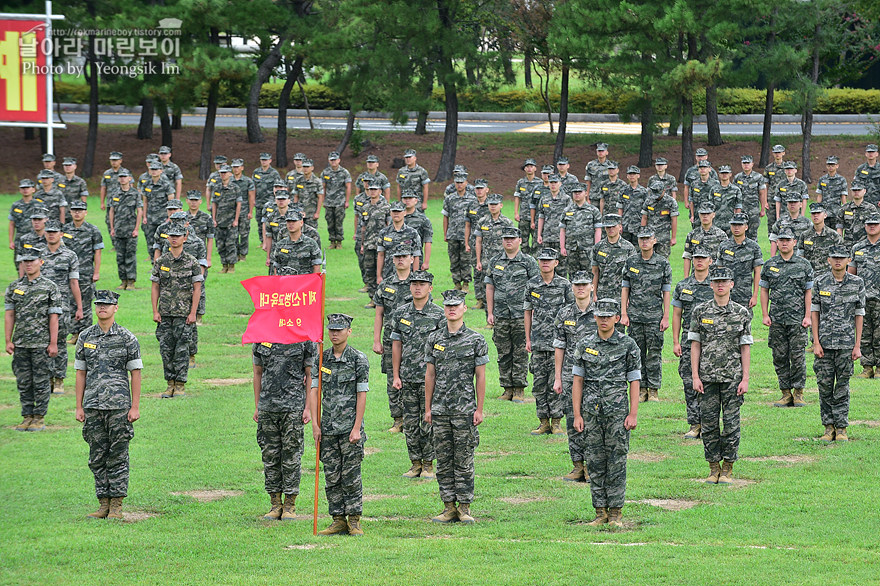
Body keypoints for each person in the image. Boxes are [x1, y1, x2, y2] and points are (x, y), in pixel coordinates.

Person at [572, 298, 640, 528]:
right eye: (600, 316)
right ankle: (600, 511)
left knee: (617, 462)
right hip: (591, 413)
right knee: (595, 461)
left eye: (608, 316)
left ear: (617, 319)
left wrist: (633, 413)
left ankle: (616, 513)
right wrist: (577, 414)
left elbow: (634, 381)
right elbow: (577, 381)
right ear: (594, 317)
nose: (603, 320)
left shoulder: (628, 345)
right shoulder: (583, 345)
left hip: (617, 414)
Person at [74, 289, 142, 519]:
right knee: (97, 455)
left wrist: (135, 406)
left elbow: (136, 373)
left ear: (116, 308)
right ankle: (103, 503)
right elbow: (80, 373)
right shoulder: (85, 337)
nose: (102, 308)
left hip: (119, 406)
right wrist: (79, 406)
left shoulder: (126, 338)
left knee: (118, 454)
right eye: (98, 304)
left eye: (106, 304)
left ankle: (117, 505)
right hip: (93, 405)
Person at [425, 289, 489, 524]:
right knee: (443, 459)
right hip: (440, 409)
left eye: (456, 305)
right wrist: (428, 407)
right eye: (448, 306)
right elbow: (430, 375)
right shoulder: (434, 339)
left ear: (464, 308)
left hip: (464, 410)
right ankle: (448, 506)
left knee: (463, 458)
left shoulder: (475, 340)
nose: (451, 309)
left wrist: (479, 409)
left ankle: (464, 507)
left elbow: (480, 377)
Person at [689, 266, 753, 485]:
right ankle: (713, 466)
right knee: (708, 424)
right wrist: (695, 376)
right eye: (716, 281)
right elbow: (695, 345)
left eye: (724, 281)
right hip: (706, 377)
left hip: (732, 377)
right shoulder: (700, 311)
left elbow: (745, 347)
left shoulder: (741, 313)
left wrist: (745, 378)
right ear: (711, 285)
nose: (720, 285)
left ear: (732, 284)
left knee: (731, 424)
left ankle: (728, 467)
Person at [310, 313, 369, 536]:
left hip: (349, 429)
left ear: (349, 332)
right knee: (332, 475)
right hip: (328, 428)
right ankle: (337, 519)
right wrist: (316, 425)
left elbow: (361, 395)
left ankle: (354, 520)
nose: (334, 334)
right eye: (331, 330)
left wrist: (356, 427)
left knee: (351, 475)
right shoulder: (321, 359)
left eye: (339, 330)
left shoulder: (358, 359)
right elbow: (315, 392)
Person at [252, 330, 316, 521]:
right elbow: (257, 373)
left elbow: (310, 375)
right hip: (268, 407)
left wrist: (308, 407)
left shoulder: (303, 337)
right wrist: (257, 406)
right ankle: (275, 503)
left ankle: (290, 504)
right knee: (270, 456)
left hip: (293, 407)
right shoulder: (261, 336)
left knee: (291, 456)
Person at [391, 270, 444, 479]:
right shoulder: (401, 313)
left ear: (430, 288)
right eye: (414, 284)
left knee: (428, 421)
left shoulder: (439, 314)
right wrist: (396, 375)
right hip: (408, 377)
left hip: (430, 378)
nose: (417, 287)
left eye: (422, 284)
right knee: (411, 423)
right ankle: (415, 464)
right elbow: (396, 345)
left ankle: (429, 464)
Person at [5, 249, 62, 432]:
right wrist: (8, 340)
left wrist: (53, 343)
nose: (28, 264)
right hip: (21, 343)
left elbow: (54, 317)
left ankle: (39, 417)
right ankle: (27, 416)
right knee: (23, 381)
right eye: (25, 261)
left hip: (41, 344)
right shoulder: (14, 287)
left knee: (41, 381)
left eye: (32, 261)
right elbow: (10, 315)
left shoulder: (49, 287)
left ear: (41, 262)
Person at [813, 245, 865, 442]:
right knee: (824, 386)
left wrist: (857, 345)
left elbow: (859, 315)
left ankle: (841, 427)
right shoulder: (820, 282)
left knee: (842, 386)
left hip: (846, 344)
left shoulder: (857, 283)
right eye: (834, 257)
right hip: (824, 344)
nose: (838, 261)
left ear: (848, 260)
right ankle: (828, 427)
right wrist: (816, 342)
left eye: (842, 258)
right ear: (828, 260)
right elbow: (815, 313)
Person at [760, 226, 814, 408]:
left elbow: (808, 292)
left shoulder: (804, 265)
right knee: (779, 357)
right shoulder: (769, 265)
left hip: (798, 320)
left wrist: (808, 316)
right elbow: (764, 290)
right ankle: (785, 393)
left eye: (787, 240)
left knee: (797, 357)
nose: (784, 243)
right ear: (777, 242)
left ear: (794, 242)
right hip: (776, 319)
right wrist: (765, 314)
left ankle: (798, 393)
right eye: (781, 240)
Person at [485, 227, 539, 402]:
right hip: (501, 314)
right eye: (506, 238)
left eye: (512, 238)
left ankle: (519, 388)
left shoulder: (528, 262)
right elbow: (490, 287)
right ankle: (507, 388)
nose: (508, 241)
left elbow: (535, 288)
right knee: (503, 351)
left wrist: (533, 312)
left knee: (521, 351)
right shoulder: (495, 261)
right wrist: (490, 312)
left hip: (521, 315)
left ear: (520, 241)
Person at [552, 271, 597, 482]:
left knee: (593, 421)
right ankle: (577, 465)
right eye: (577, 285)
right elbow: (560, 346)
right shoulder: (564, 314)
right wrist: (558, 377)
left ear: (591, 287)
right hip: (571, 375)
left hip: (595, 375)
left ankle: (592, 465)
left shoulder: (600, 313)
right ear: (572, 288)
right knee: (572, 419)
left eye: (584, 284)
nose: (580, 288)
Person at [150, 224, 203, 398]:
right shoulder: (161, 262)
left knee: (181, 350)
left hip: (184, 314)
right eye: (171, 235)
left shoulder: (192, 262)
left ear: (185, 237)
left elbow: (197, 289)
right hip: (165, 313)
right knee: (166, 350)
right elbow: (155, 287)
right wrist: (155, 311)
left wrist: (193, 312)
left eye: (178, 236)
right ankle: (169, 383)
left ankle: (180, 384)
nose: (174, 238)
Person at [525, 248, 573, 435]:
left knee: (556, 381)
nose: (545, 263)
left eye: (549, 260)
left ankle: (557, 421)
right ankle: (543, 420)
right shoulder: (531, 285)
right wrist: (528, 338)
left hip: (558, 343)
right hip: (538, 342)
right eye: (542, 260)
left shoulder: (564, 285)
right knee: (539, 383)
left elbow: (571, 314)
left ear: (556, 263)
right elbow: (527, 312)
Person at [621, 227, 671, 402]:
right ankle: (641, 388)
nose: (644, 242)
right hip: (634, 315)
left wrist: (665, 316)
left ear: (654, 240)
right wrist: (624, 313)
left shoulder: (662, 263)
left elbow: (666, 292)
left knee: (654, 353)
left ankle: (653, 389)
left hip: (654, 317)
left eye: (647, 239)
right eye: (641, 239)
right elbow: (625, 289)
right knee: (637, 353)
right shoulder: (631, 262)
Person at [672, 245, 715, 439]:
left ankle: (709, 424)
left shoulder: (715, 284)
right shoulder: (683, 286)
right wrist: (675, 341)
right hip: (688, 341)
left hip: (712, 342)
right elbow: (677, 314)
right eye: (696, 258)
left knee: (711, 383)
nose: (699, 261)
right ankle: (694, 423)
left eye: (703, 258)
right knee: (689, 381)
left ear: (710, 261)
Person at [372, 247, 415, 433]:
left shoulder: (418, 283)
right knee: (393, 379)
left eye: (404, 256)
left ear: (412, 259)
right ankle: (398, 419)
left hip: (413, 341)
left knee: (414, 378)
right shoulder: (385, 285)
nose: (400, 260)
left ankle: (414, 417)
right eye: (397, 257)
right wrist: (376, 340)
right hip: (390, 341)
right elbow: (379, 314)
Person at [41, 220, 83, 394]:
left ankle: (59, 379)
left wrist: (79, 307)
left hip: (61, 307)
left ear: (61, 234)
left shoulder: (70, 255)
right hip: (41, 307)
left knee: (59, 342)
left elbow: (74, 282)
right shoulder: (38, 255)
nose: (51, 234)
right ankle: (46, 378)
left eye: (55, 231)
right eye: (48, 231)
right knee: (42, 342)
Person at [62, 200, 104, 345]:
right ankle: (74, 333)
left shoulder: (93, 230)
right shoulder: (65, 230)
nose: (77, 213)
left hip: (86, 272)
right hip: (68, 273)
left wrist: (96, 272)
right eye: (74, 210)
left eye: (80, 210)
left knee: (85, 304)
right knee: (71, 303)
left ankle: (85, 334)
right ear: (71, 212)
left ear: (85, 212)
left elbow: (97, 252)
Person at [848, 213, 880, 379]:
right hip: (862, 299)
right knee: (864, 333)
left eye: (875, 223)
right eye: (869, 224)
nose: (872, 226)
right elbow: (851, 274)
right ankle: (867, 367)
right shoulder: (857, 248)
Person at [474, 193, 514, 311]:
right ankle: (489, 316)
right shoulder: (482, 222)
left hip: (503, 261)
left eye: (495, 204)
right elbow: (478, 241)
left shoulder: (507, 222)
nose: (493, 207)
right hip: (487, 261)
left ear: (501, 205)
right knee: (487, 288)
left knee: (503, 289)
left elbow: (513, 243)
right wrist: (478, 261)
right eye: (491, 204)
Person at [715, 213, 763, 310]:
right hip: (726, 294)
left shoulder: (753, 247)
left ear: (746, 227)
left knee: (745, 322)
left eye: (740, 225)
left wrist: (755, 296)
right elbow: (719, 270)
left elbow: (757, 273)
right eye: (734, 225)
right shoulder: (724, 246)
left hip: (745, 294)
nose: (736, 228)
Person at [443, 173, 478, 292]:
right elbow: (446, 217)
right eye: (457, 182)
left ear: (466, 183)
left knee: (466, 260)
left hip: (466, 235)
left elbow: (474, 218)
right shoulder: (450, 198)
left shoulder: (472, 199)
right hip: (453, 233)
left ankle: (466, 283)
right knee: (453, 260)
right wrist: (445, 233)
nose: (459, 185)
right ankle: (457, 282)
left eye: (461, 182)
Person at [108, 170, 142, 290]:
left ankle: (131, 282)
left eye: (125, 177)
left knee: (130, 256)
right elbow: (111, 211)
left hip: (131, 230)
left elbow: (139, 211)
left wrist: (136, 228)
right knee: (120, 257)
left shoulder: (135, 193)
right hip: (118, 230)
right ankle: (123, 281)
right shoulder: (115, 193)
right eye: (120, 177)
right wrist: (112, 228)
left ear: (130, 178)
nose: (122, 179)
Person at [592, 214, 636, 305]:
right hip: (602, 295)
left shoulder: (629, 248)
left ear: (620, 227)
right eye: (608, 227)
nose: (610, 229)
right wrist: (594, 294)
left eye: (613, 226)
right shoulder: (598, 247)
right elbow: (595, 272)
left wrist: (630, 296)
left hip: (621, 295)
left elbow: (633, 275)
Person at [560, 183, 602, 278]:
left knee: (589, 275)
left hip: (588, 249)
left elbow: (598, 230)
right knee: (572, 275)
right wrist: (562, 247)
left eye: (579, 192)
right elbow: (562, 230)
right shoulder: (566, 210)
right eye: (575, 192)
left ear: (586, 193)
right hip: (571, 249)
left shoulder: (593, 210)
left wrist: (596, 247)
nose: (577, 194)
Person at [360, 182, 391, 305]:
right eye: (370, 189)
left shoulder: (386, 207)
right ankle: (373, 298)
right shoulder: (365, 208)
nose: (372, 191)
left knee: (383, 272)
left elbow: (389, 226)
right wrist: (362, 244)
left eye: (375, 189)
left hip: (382, 246)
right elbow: (363, 228)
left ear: (380, 192)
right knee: (369, 271)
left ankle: (384, 297)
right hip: (368, 244)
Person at [376, 201, 422, 283]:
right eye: (394, 211)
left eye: (399, 211)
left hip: (407, 276)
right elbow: (380, 255)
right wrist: (379, 276)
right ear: (390, 213)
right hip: (388, 274)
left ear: (404, 213)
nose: (396, 214)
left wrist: (415, 276)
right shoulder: (384, 233)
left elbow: (416, 256)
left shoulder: (412, 233)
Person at [536, 174, 572, 276]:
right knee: (546, 267)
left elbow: (569, 220)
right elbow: (541, 217)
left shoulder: (566, 199)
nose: (553, 185)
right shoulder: (544, 199)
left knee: (561, 268)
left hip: (560, 238)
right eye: (551, 182)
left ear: (560, 184)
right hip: (547, 237)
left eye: (555, 182)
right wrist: (539, 234)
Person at [139, 161, 176, 255]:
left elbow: (171, 202)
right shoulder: (146, 184)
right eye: (152, 169)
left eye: (156, 169)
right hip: (150, 218)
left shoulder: (166, 185)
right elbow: (145, 201)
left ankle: (164, 264)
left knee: (164, 241)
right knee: (150, 241)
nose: (154, 171)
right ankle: (153, 264)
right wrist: (144, 216)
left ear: (161, 171)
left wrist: (169, 218)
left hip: (163, 218)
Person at [211, 165, 243, 274]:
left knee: (231, 244)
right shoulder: (216, 188)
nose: (223, 174)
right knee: (220, 245)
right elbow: (214, 204)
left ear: (230, 174)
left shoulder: (235, 188)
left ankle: (232, 266)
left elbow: (238, 204)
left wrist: (236, 219)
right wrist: (214, 219)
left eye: (225, 172)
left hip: (231, 221)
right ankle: (224, 265)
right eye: (221, 173)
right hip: (219, 221)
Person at [798, 202, 842, 278]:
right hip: (810, 276)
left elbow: (840, 259)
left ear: (825, 215)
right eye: (813, 213)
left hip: (829, 277)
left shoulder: (834, 235)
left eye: (818, 213)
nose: (815, 215)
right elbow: (801, 258)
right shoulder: (804, 235)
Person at [271, 210, 322, 276]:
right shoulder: (280, 244)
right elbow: (277, 266)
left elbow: (316, 266)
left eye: (294, 221)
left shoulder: (310, 244)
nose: (291, 224)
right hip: (285, 282)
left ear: (301, 223)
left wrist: (314, 283)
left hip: (304, 283)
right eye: (288, 221)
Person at [682, 203, 726, 277]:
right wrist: (686, 278)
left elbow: (724, 259)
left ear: (713, 215)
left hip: (714, 277)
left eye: (708, 213)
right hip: (696, 278)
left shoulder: (721, 235)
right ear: (699, 215)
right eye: (702, 214)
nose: (705, 216)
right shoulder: (692, 235)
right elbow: (687, 256)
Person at [640, 180, 678, 258]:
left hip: (663, 237)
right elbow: (644, 217)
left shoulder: (671, 202)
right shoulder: (649, 201)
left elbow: (674, 220)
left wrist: (673, 237)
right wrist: (642, 234)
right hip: (649, 236)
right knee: (647, 259)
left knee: (663, 260)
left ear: (664, 190)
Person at [322, 151, 352, 249]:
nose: (333, 162)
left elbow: (348, 187)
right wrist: (323, 200)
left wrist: (347, 201)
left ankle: (339, 242)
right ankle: (332, 241)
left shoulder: (344, 172)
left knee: (339, 222)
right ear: (329, 161)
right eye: (331, 160)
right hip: (329, 202)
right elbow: (323, 187)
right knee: (330, 222)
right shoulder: (325, 172)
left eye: (335, 160)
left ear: (339, 160)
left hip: (340, 201)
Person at [733, 155, 767, 241]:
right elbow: (733, 194)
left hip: (753, 211)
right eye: (744, 163)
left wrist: (762, 209)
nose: (746, 165)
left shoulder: (758, 177)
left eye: (748, 163)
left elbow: (762, 194)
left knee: (753, 234)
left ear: (752, 164)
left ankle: (754, 252)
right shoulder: (737, 177)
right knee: (740, 233)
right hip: (740, 211)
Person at [99, 151, 129, 245]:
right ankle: (114, 244)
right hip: (110, 203)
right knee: (109, 222)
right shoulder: (107, 173)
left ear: (120, 161)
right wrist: (102, 202)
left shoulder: (125, 172)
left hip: (123, 203)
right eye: (112, 160)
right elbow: (103, 188)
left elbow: (130, 187)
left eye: (116, 160)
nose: (114, 162)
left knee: (123, 223)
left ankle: (122, 243)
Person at [514, 158, 542, 254]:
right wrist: (516, 213)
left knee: (536, 242)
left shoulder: (540, 183)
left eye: (531, 166)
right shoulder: (521, 182)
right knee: (523, 241)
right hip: (524, 216)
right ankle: (525, 260)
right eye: (527, 167)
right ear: (524, 169)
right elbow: (517, 197)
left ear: (535, 169)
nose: (529, 168)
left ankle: (533, 260)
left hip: (537, 217)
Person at [252, 153, 282, 241]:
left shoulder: (274, 173)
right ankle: (262, 240)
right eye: (262, 160)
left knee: (270, 220)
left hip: (270, 201)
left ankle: (272, 239)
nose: (264, 162)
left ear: (270, 160)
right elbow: (253, 187)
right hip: (259, 201)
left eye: (266, 160)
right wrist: (253, 200)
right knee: (259, 221)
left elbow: (278, 187)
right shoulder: (256, 172)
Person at [230, 158, 255, 262]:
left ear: (242, 168)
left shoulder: (248, 181)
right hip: (231, 211)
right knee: (233, 233)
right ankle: (235, 254)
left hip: (244, 210)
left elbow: (251, 197)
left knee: (244, 233)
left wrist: (250, 211)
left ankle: (243, 254)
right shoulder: (229, 180)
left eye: (237, 167)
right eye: (234, 167)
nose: (235, 169)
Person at [403, 190, 433, 269]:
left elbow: (428, 241)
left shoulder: (423, 220)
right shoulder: (396, 218)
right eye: (405, 198)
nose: (407, 200)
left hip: (415, 258)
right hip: (397, 258)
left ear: (416, 200)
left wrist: (426, 262)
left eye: (410, 198)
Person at [838, 181, 872, 249]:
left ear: (864, 191)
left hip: (865, 246)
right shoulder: (844, 208)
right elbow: (839, 227)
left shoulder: (871, 208)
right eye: (854, 190)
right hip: (848, 246)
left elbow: (876, 227)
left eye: (859, 190)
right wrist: (840, 243)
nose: (856, 192)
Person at [815, 156, 848, 226]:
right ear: (826, 166)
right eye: (829, 165)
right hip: (825, 212)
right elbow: (820, 195)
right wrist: (817, 208)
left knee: (836, 233)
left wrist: (845, 209)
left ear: (837, 166)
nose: (830, 167)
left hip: (836, 212)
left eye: (833, 165)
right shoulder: (822, 179)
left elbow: (843, 196)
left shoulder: (841, 180)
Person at [686, 160, 720, 226]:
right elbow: (691, 201)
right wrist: (692, 215)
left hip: (711, 216)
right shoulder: (694, 184)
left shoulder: (716, 184)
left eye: (705, 167)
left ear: (709, 169)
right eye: (701, 167)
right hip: (697, 216)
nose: (702, 169)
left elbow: (718, 202)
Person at [763, 145, 787, 234]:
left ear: (783, 153)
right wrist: (765, 201)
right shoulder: (769, 168)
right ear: (773, 154)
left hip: (785, 200)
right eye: (775, 153)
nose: (777, 154)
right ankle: (773, 246)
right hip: (771, 200)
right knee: (771, 224)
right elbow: (765, 186)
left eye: (779, 152)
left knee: (785, 223)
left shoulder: (787, 168)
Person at [8, 179, 39, 249]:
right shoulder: (15, 205)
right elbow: (11, 224)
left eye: (28, 188)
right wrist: (11, 241)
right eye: (23, 188)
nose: (25, 190)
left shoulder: (39, 205)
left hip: (35, 239)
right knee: (19, 259)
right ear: (20, 190)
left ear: (33, 190)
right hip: (19, 240)